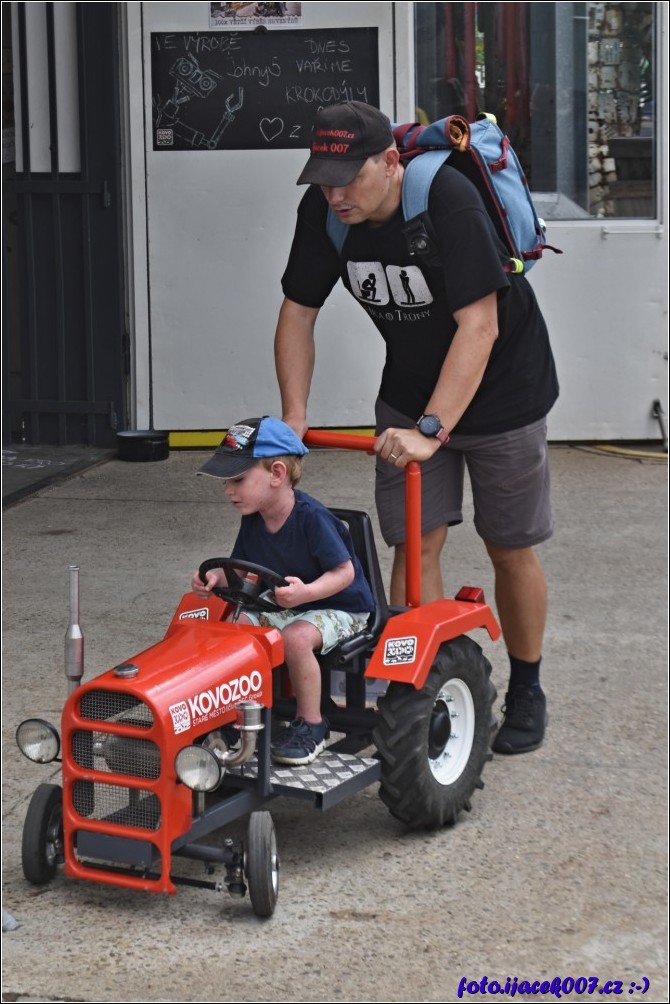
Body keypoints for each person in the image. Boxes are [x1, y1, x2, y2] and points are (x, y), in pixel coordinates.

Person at [274, 101, 559, 755]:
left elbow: (479, 326)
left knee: (508, 546)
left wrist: (434, 427)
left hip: (503, 390)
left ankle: (526, 684)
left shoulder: (446, 200)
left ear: (389, 162)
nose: (335, 192)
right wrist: (293, 420)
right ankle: (423, 689)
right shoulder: (326, 214)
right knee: (413, 545)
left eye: (349, 176)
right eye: (324, 178)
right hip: (409, 391)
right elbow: (297, 313)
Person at [192, 415, 375, 765]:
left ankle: (312, 724)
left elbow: (345, 572)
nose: (228, 491)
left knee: (295, 638)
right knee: (236, 629)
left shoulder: (312, 518)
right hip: (286, 606)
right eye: (226, 482)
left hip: (341, 607)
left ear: (277, 474)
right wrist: (213, 577)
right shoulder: (254, 518)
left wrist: (306, 594)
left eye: (238, 480)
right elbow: (242, 571)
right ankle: (238, 718)